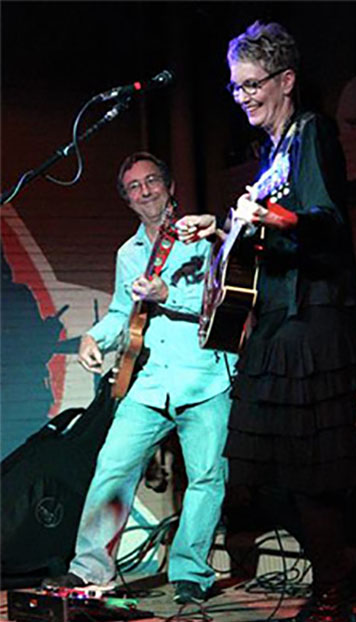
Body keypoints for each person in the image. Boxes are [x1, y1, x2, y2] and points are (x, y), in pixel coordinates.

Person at [175, 21, 356, 622]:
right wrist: (223, 226)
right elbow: (264, 231)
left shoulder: (313, 133)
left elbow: (326, 222)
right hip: (277, 323)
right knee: (263, 471)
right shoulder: (273, 149)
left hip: (309, 327)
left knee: (310, 472)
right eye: (235, 89)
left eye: (252, 84)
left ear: (286, 80)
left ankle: (334, 588)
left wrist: (275, 219)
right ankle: (338, 567)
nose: (242, 98)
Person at [42, 152, 237, 605]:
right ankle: (91, 569)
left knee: (207, 477)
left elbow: (224, 302)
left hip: (206, 377)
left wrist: (168, 293)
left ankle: (192, 573)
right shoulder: (128, 254)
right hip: (151, 383)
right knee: (112, 467)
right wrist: (94, 338)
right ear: (127, 200)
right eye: (134, 186)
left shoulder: (200, 237)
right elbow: (120, 313)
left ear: (169, 187)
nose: (145, 190)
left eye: (152, 181)